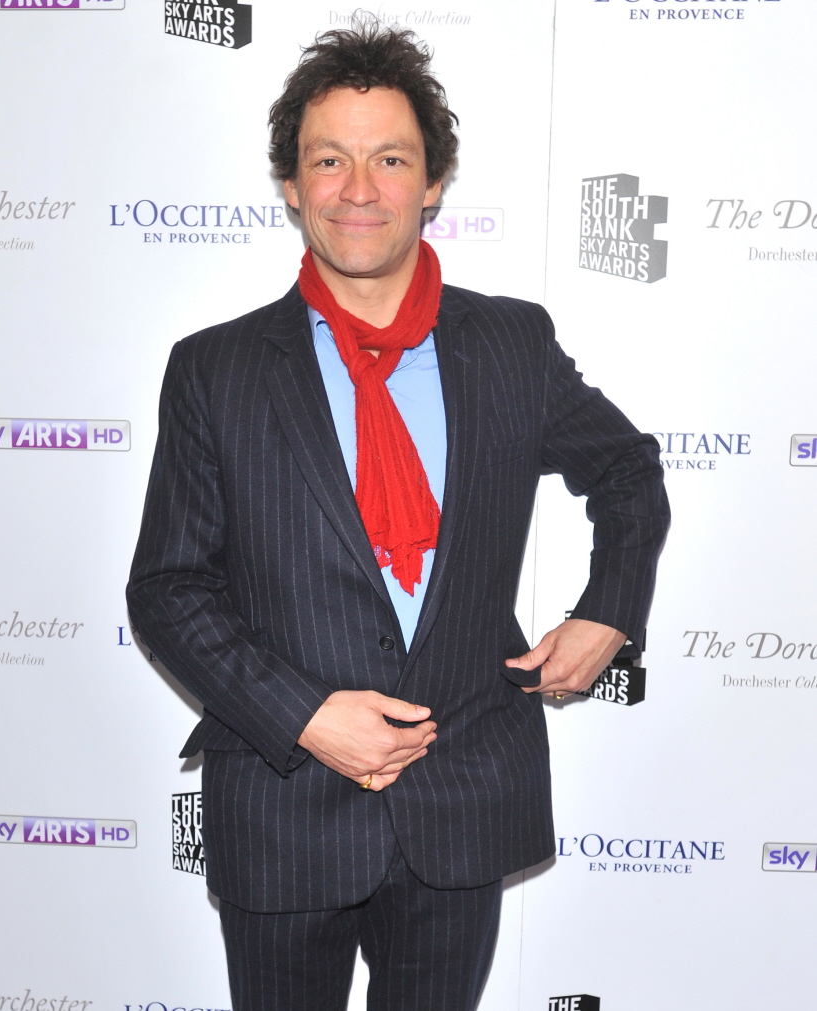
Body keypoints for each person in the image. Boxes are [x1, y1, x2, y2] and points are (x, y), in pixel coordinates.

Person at [126, 21, 669, 1011]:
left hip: (463, 793)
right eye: (328, 159)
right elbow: (168, 589)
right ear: (292, 185)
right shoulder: (216, 369)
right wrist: (304, 716)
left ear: (433, 182)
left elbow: (627, 471)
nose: (359, 189)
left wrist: (609, 610)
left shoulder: (510, 344)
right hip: (283, 804)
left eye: (390, 159)